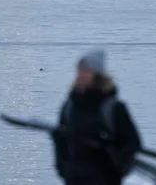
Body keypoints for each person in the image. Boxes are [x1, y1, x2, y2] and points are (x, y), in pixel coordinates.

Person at [53, 49, 142, 185]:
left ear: (98, 75)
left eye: (86, 71)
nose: (80, 75)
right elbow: (61, 141)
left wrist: (115, 167)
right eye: (79, 70)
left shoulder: (113, 109)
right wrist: (64, 170)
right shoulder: (70, 106)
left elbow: (132, 143)